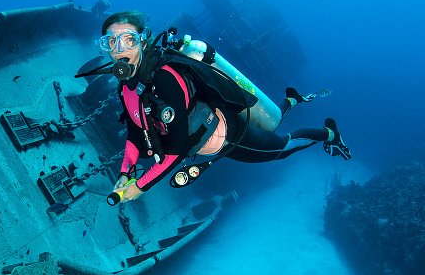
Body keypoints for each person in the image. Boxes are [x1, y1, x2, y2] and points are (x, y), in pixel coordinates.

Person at [100, 10, 352, 203]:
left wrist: (139, 186)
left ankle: (330, 134)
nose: (120, 50)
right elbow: (135, 132)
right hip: (206, 140)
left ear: (143, 42)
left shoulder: (165, 79)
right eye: (112, 42)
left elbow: (175, 150)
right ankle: (291, 99)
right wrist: (126, 171)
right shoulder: (125, 87)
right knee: (273, 123)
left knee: (282, 147)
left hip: (228, 136)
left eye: (129, 40)